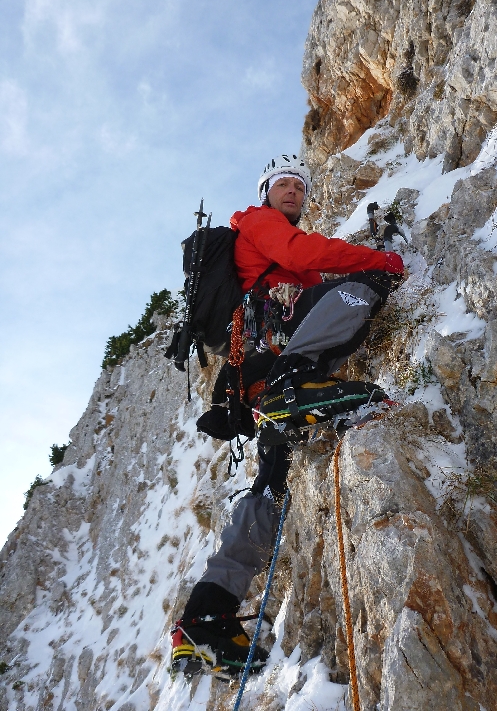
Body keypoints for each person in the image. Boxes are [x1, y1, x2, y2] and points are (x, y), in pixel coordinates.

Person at [171, 154, 404, 677]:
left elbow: (304, 274)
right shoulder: (258, 223)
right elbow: (303, 250)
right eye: (283, 185)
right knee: (363, 284)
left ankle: (205, 617)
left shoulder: (284, 257)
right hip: (271, 363)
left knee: (270, 488)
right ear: (265, 193)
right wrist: (377, 259)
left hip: (257, 378)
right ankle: (299, 385)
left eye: (300, 186)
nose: (294, 192)